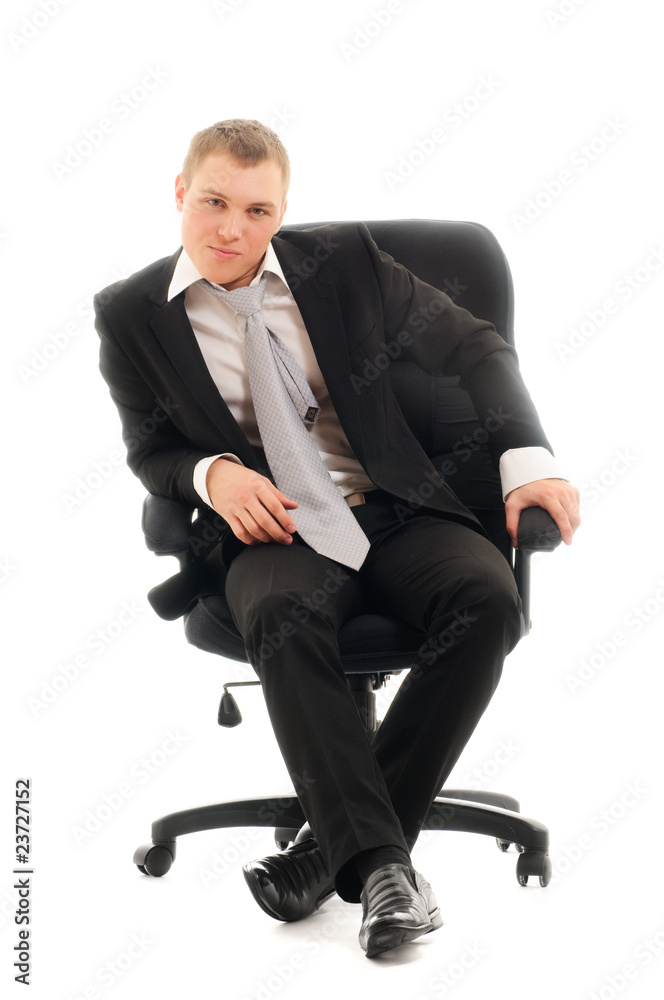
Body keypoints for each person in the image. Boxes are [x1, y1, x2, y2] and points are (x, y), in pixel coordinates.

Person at [94, 119, 580, 959]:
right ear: (180, 193)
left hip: (394, 504)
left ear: (281, 212)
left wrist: (528, 459)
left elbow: (475, 348)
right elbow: (150, 449)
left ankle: (328, 854)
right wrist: (212, 474)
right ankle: (386, 871)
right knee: (284, 615)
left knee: (486, 598)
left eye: (257, 210)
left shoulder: (343, 263)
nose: (231, 229)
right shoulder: (131, 313)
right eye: (213, 202)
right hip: (273, 528)